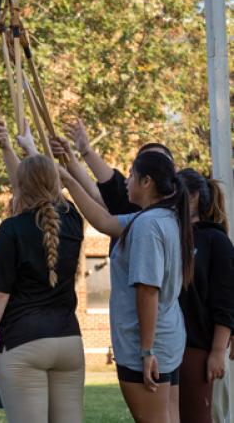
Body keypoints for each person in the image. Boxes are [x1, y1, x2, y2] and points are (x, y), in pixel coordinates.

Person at [53, 137, 193, 423]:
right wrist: (67, 178)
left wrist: (146, 350)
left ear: (147, 182)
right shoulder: (159, 217)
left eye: (131, 174)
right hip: (167, 338)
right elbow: (103, 221)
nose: (126, 181)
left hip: (148, 344)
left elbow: (147, 292)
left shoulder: (148, 226)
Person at [0, 153, 85, 423]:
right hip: (69, 342)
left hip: (23, 343)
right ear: (56, 182)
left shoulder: (11, 229)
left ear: (19, 186)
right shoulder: (74, 221)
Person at [177, 169, 234, 423]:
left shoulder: (215, 240)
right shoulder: (168, 235)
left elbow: (226, 301)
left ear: (193, 197)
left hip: (198, 349)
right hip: (169, 347)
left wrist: (217, 352)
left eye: (174, 194)